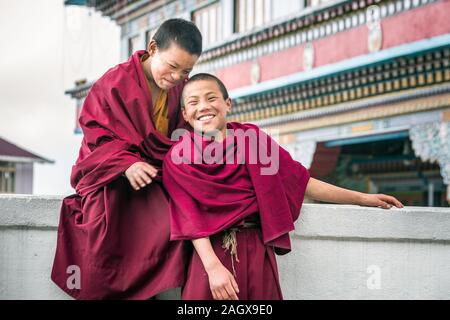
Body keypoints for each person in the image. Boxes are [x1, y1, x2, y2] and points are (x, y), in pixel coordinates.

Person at [162, 73, 404, 300]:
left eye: (211, 98)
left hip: (257, 248)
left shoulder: (253, 140)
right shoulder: (179, 157)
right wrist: (213, 267)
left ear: (228, 104)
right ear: (185, 113)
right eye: (193, 102)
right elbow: (189, 216)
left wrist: (363, 199)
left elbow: (301, 182)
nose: (203, 107)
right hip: (210, 256)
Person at [51, 19, 202, 299]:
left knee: (178, 216)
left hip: (157, 174)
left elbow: (186, 134)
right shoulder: (115, 82)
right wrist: (126, 164)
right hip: (112, 175)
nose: (176, 77)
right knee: (109, 231)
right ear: (152, 48)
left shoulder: (182, 89)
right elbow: (98, 135)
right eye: (172, 66)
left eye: (186, 71)